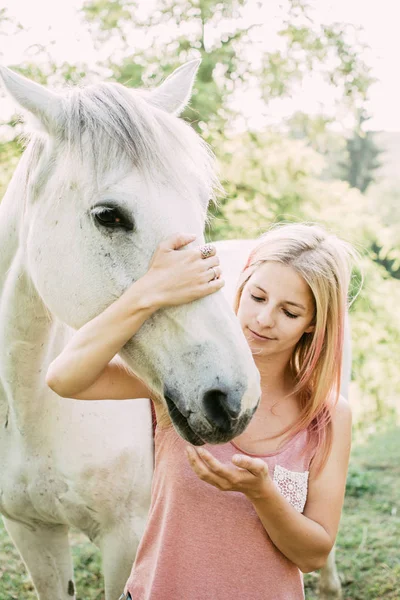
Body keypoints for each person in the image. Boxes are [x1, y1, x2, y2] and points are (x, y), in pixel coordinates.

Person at [46, 223, 355, 600]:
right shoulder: (188, 374)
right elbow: (65, 378)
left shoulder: (328, 416)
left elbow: (313, 555)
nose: (263, 319)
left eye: (289, 312)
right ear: (241, 287)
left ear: (313, 324)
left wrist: (262, 494)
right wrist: (147, 293)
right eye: (257, 297)